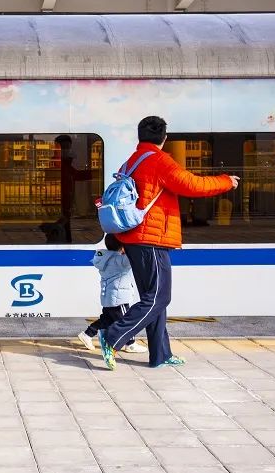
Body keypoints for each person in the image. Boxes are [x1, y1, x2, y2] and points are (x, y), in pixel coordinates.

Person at [101, 116, 238, 370]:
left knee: (152, 298)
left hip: (133, 238)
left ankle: (160, 354)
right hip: (151, 239)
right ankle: (112, 337)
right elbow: (192, 184)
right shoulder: (159, 161)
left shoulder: (130, 162)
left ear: (140, 136)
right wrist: (225, 181)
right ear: (164, 138)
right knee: (159, 298)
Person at [77, 233, 147, 355]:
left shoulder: (104, 257)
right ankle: (130, 344)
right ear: (121, 245)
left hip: (108, 297)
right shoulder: (120, 260)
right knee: (126, 320)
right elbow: (134, 257)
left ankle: (87, 334)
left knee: (106, 320)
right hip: (119, 299)